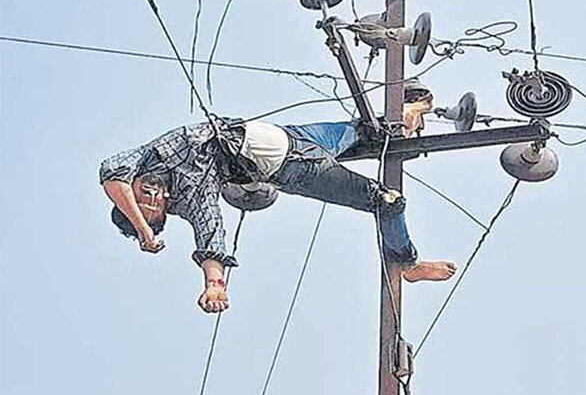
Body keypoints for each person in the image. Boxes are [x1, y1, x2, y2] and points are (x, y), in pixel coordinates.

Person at [99, 94, 456, 314]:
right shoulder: (193, 197)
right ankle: (409, 264)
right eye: (154, 205)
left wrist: (144, 228)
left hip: (292, 136)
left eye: (141, 196)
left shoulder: (144, 159)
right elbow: (211, 239)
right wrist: (214, 285)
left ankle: (410, 113)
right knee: (387, 202)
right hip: (297, 168)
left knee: (368, 130)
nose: (152, 194)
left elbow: (111, 172)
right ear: (166, 209)